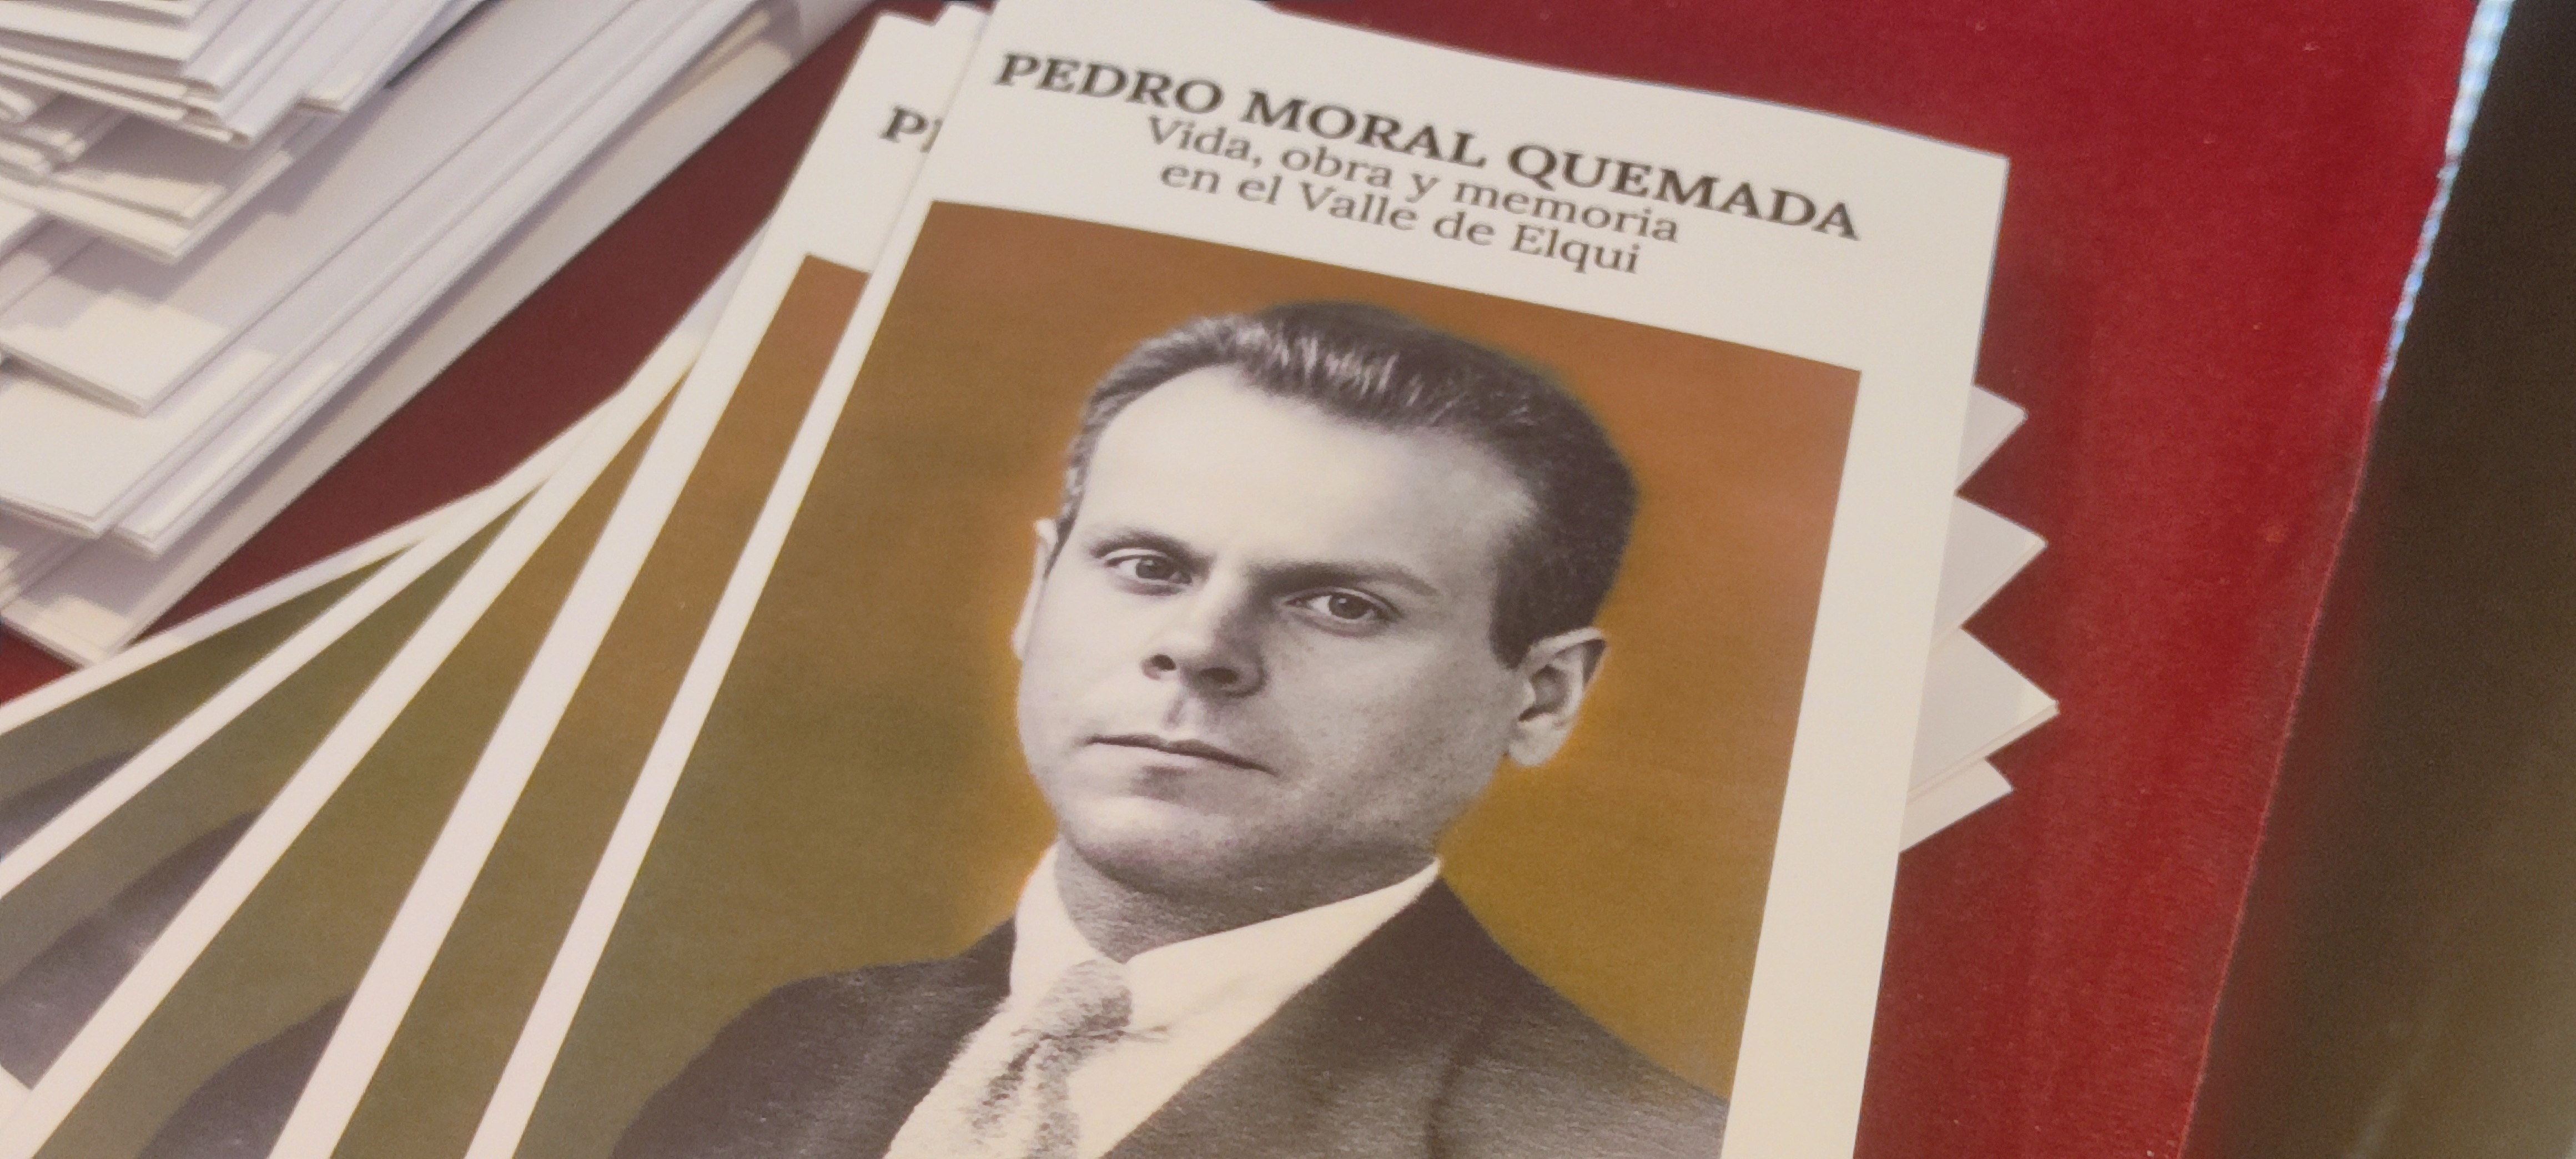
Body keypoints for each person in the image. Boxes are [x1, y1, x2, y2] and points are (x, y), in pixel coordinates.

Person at [615, 302, 1727, 1159]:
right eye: (1148, 567)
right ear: (1040, 590)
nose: (1198, 647)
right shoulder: (797, 1045)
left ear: (1540, 698)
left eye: (1343, 605)